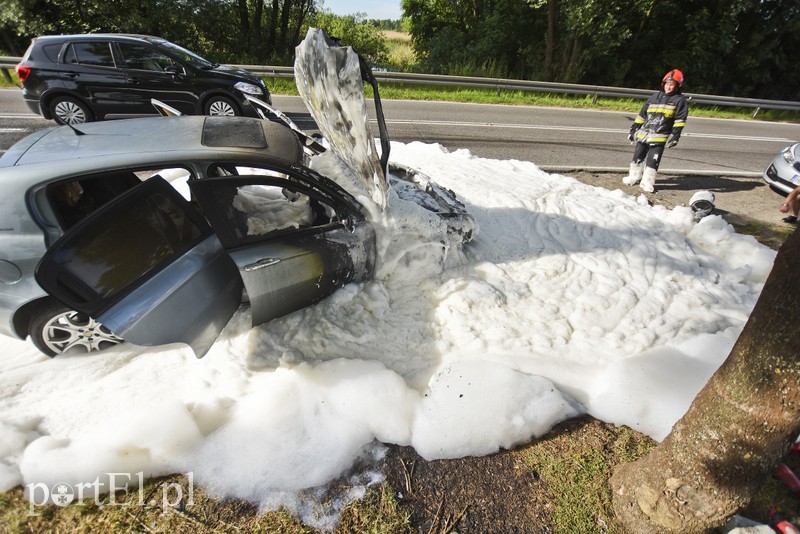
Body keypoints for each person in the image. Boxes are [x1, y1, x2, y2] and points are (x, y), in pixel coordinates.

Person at [623, 69, 689, 193]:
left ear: (677, 86)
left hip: (659, 136)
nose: (669, 87)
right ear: (663, 84)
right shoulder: (654, 97)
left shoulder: (680, 100)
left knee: (653, 160)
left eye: (672, 85)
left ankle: (647, 182)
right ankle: (634, 176)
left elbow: (680, 120)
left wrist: (675, 136)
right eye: (667, 84)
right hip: (644, 134)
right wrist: (633, 129)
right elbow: (642, 115)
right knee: (637, 156)